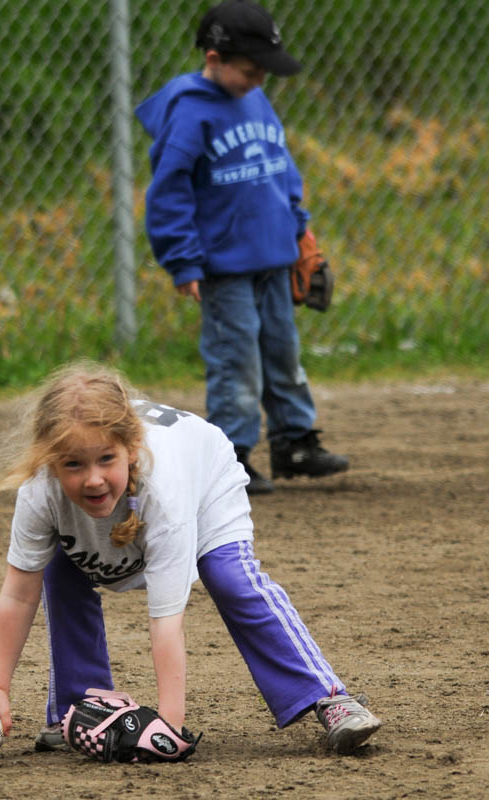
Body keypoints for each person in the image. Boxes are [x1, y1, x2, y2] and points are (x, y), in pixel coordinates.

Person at [0, 362, 381, 757]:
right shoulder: (40, 491)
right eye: (72, 464)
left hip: (204, 478)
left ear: (131, 449)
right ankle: (80, 707)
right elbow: (17, 596)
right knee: (58, 565)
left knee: (229, 577)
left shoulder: (165, 496)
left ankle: (328, 696)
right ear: (49, 461)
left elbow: (166, 621)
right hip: (126, 502)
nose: (92, 478)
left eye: (106, 458)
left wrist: (168, 726)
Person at [135, 0, 349, 494]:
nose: (258, 80)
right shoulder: (189, 111)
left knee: (282, 351)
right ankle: (230, 457)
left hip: (274, 255)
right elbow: (168, 191)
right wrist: (182, 258)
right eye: (250, 70)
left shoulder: (254, 98)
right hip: (224, 265)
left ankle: (294, 441)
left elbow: (280, 167)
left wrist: (299, 231)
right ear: (214, 58)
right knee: (237, 360)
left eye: (264, 73)